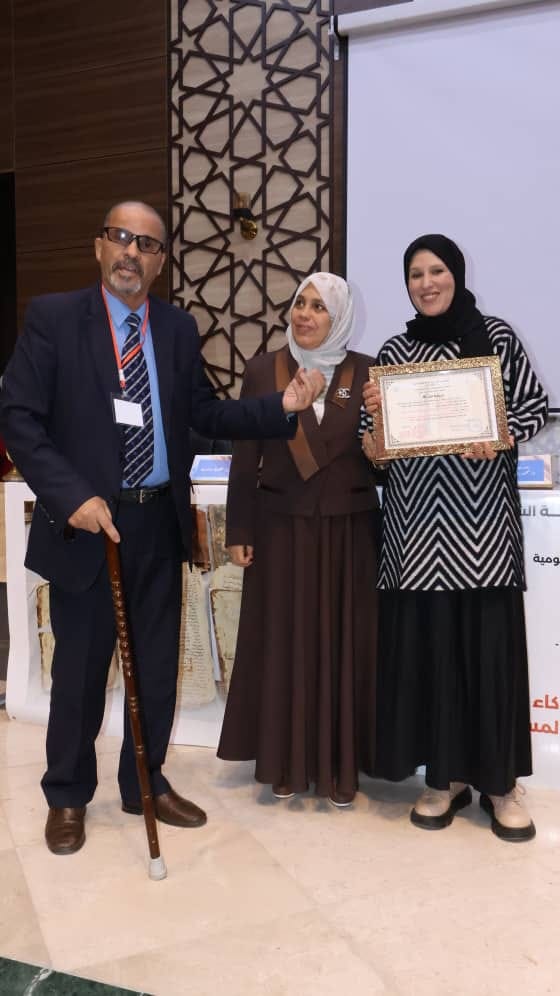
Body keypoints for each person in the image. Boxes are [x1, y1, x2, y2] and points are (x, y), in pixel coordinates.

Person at [0, 201, 325, 856]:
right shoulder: (56, 318)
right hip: (87, 524)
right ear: (99, 246)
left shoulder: (176, 328)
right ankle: (67, 794)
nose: (132, 252)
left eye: (146, 244)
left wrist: (280, 407)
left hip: (156, 520)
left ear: (160, 262)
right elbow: (20, 418)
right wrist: (72, 496)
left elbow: (203, 413)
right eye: (121, 237)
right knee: (81, 670)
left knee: (154, 669)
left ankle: (143, 782)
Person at [362, 233, 548, 842]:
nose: (426, 283)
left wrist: (498, 432)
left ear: (457, 274)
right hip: (416, 536)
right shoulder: (394, 352)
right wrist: (376, 428)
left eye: (436, 270)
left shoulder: (496, 338)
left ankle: (500, 785)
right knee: (433, 660)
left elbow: (534, 406)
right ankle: (443, 780)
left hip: (482, 533)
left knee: (488, 659)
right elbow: (374, 450)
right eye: (415, 274)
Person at [217, 273, 379, 805]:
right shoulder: (264, 370)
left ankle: (339, 766)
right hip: (280, 527)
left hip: (349, 530)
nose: (305, 314)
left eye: (319, 307)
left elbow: (381, 457)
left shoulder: (368, 372)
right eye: (300, 303)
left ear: (340, 318)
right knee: (283, 642)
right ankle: (283, 760)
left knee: (342, 645)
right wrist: (239, 528)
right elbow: (246, 455)